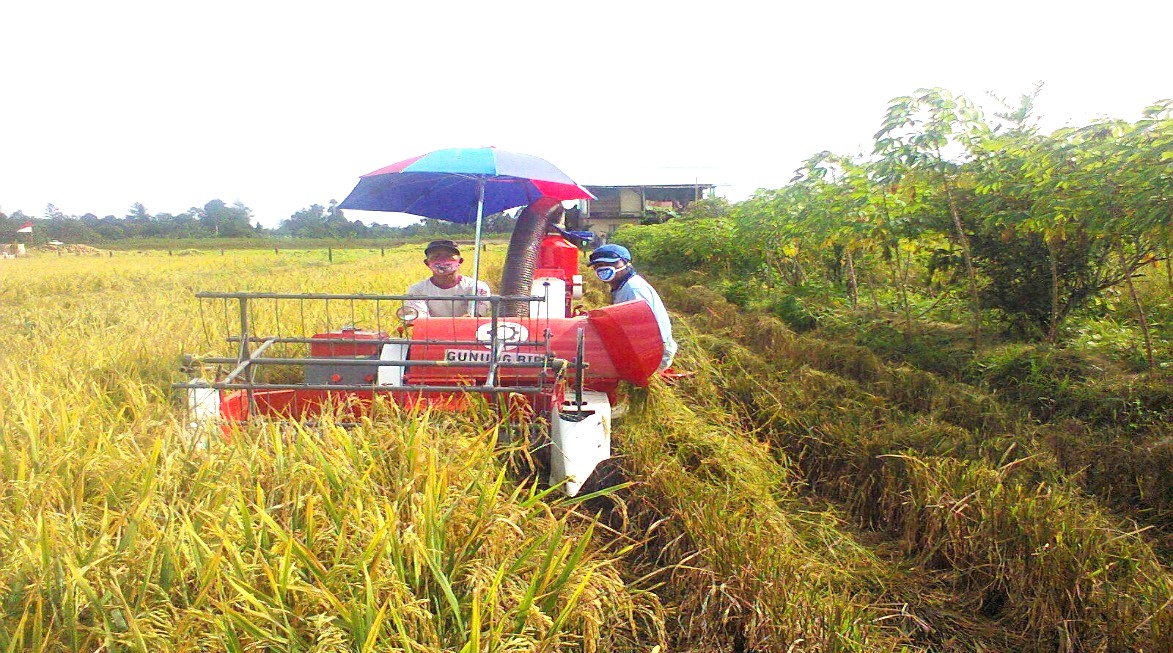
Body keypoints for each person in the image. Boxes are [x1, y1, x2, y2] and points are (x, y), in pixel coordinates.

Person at [587, 244, 677, 371]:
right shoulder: (620, 287)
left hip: (654, 353)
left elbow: (642, 332)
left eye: (611, 264)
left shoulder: (634, 289)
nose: (604, 269)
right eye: (598, 266)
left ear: (625, 263)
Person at [403, 240, 491, 317]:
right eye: (435, 256)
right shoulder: (417, 290)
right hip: (430, 334)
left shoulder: (477, 287)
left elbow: (474, 318)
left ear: (460, 261)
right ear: (427, 263)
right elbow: (421, 321)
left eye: (448, 256)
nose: (442, 261)